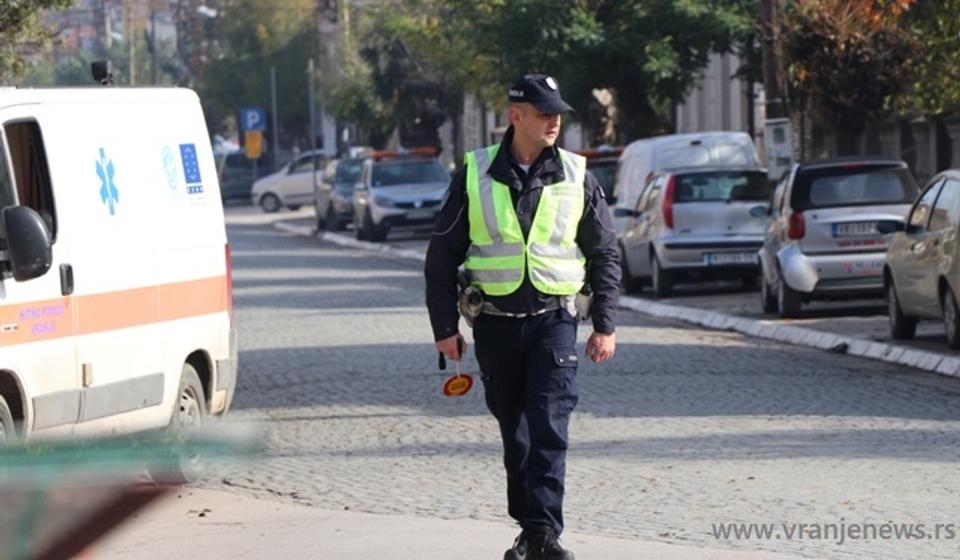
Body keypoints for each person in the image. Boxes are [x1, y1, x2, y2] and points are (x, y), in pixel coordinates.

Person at [424, 74, 620, 560]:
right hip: (494, 321)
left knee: (550, 424)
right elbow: (441, 254)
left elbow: (606, 252)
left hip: (554, 320)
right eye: (543, 112)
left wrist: (605, 324)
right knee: (516, 431)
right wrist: (444, 329)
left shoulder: (577, 174)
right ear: (516, 116)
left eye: (557, 113)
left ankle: (544, 534)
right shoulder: (474, 172)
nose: (554, 121)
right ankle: (530, 527)